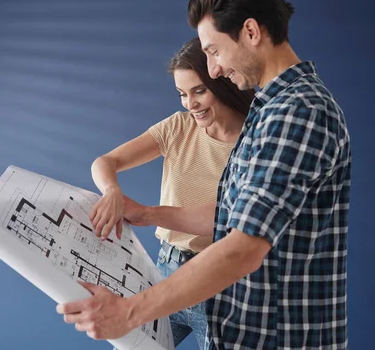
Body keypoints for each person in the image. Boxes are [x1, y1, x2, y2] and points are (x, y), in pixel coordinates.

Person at [57, 0, 351, 350]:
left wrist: (129, 311)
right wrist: (147, 215)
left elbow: (243, 247)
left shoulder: (298, 112)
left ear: (250, 32)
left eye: (213, 50)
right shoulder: (269, 109)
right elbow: (230, 218)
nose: (213, 70)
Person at [88, 37, 254, 348]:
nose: (190, 104)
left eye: (199, 91)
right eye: (182, 94)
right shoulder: (179, 127)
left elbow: (224, 218)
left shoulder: (253, 144)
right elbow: (105, 162)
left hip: (220, 285)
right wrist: (111, 190)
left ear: (222, 83)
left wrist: (148, 214)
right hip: (165, 272)